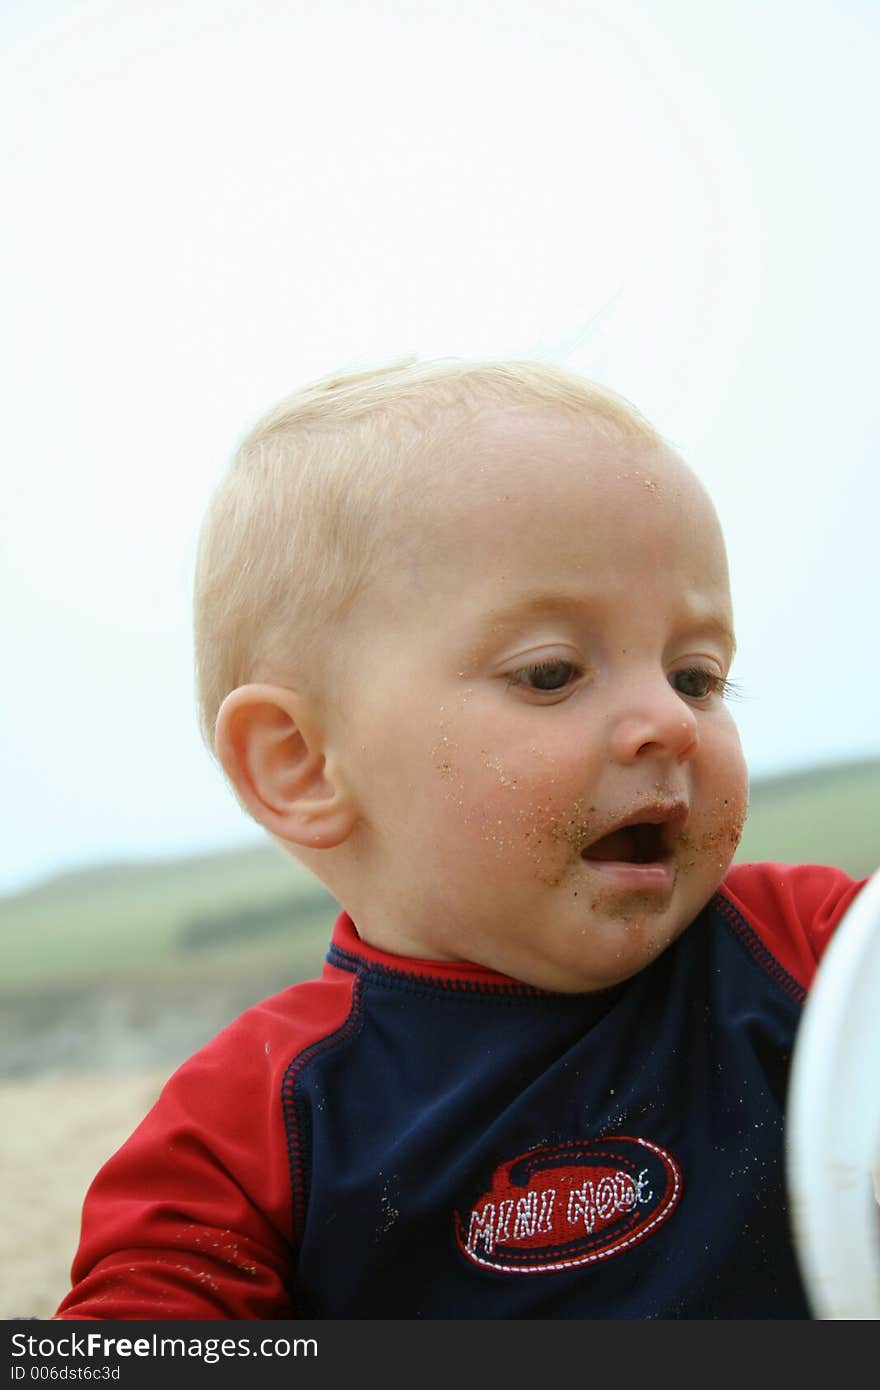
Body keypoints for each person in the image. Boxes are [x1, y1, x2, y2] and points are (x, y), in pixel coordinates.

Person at [54, 358, 866, 1320]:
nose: (672, 722)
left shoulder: (810, 953)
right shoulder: (256, 1125)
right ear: (304, 765)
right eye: (552, 673)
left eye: (697, 676)